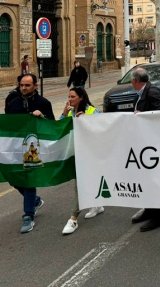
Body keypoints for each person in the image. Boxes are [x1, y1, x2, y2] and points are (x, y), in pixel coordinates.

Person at [6, 73, 54, 233]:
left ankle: (28, 216)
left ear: (35, 86)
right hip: (16, 148)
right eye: (21, 85)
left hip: (34, 149)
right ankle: (35, 200)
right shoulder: (13, 103)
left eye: (27, 85)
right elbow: (8, 125)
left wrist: (43, 116)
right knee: (14, 178)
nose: (24, 88)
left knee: (29, 180)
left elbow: (52, 125)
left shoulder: (43, 103)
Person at [129, 68, 160, 232]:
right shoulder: (141, 93)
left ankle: (158, 216)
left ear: (135, 81)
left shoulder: (152, 92)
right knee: (144, 178)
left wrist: (143, 114)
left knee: (153, 179)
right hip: (144, 142)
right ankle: (149, 209)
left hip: (153, 143)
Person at [60, 87, 102, 235]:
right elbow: (60, 129)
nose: (69, 99)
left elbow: (101, 129)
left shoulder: (92, 111)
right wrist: (64, 114)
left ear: (81, 98)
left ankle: (73, 218)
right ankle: (97, 204)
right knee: (85, 181)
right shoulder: (70, 112)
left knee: (80, 185)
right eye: (68, 96)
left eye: (72, 96)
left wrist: (86, 120)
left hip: (90, 154)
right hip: (76, 153)